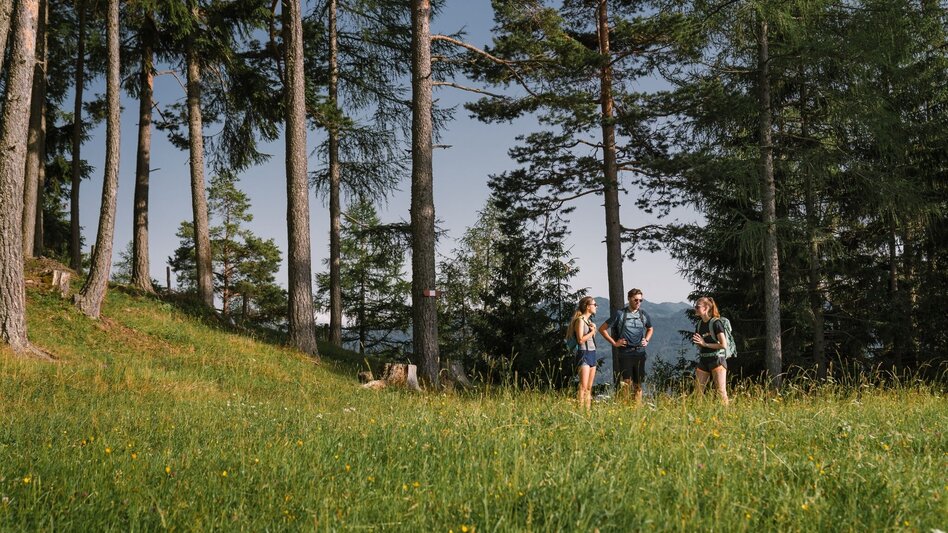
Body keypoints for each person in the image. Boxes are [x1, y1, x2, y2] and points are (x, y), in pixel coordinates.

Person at [599, 288, 653, 404]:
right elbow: (602, 329)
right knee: (626, 384)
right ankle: (625, 407)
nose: (638, 302)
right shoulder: (620, 314)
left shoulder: (643, 314)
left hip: (640, 353)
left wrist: (647, 340)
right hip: (625, 353)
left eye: (640, 300)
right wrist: (614, 343)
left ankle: (637, 410)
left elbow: (650, 328)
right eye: (635, 300)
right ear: (629, 299)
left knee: (638, 385)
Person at [691, 296, 730, 405]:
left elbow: (723, 345)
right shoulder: (699, 324)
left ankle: (727, 414)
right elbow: (700, 344)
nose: (695, 309)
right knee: (697, 393)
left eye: (697, 307)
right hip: (704, 360)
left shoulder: (716, 323)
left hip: (717, 360)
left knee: (721, 392)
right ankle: (697, 413)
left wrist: (705, 344)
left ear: (706, 308)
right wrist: (699, 344)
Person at [567, 296, 599, 410]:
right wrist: (592, 332)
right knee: (583, 386)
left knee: (589, 387)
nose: (596, 307)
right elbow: (580, 339)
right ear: (587, 306)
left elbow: (590, 339)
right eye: (594, 305)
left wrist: (593, 330)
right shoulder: (580, 321)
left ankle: (588, 412)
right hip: (583, 353)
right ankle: (580, 411)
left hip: (592, 353)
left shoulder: (589, 321)